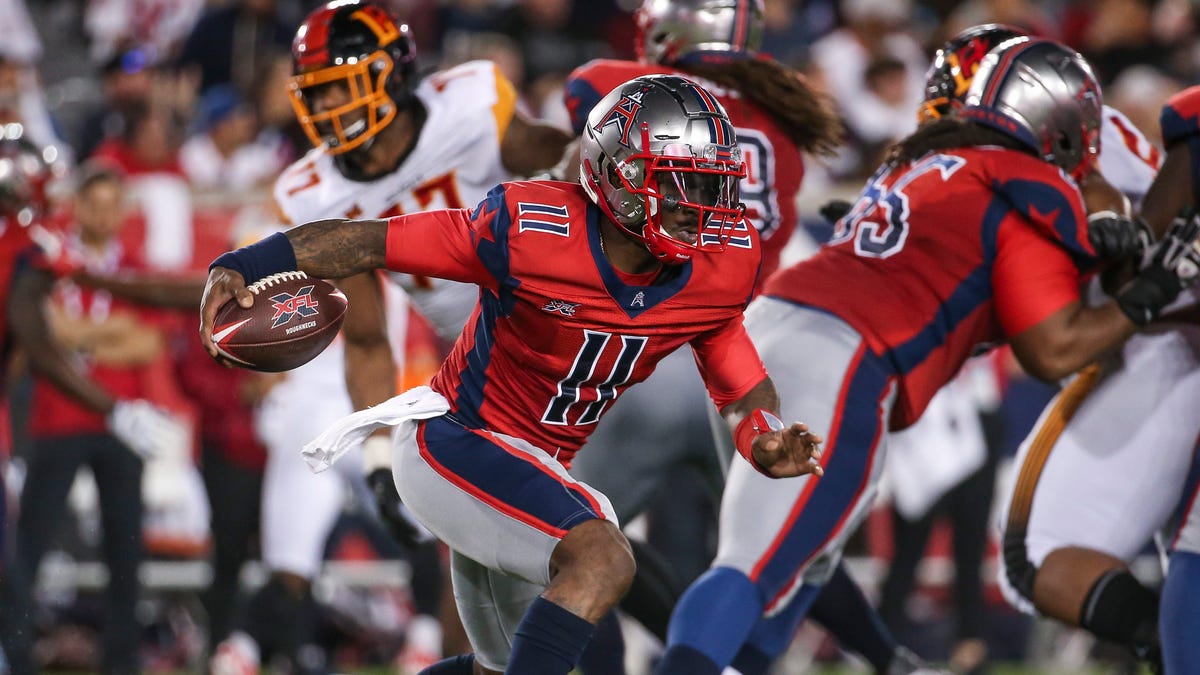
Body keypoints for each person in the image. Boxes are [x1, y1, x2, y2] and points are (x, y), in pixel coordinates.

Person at [199, 73, 824, 675]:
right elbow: (366, 240)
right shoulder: (529, 231)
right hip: (456, 441)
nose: (703, 208)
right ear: (624, 178)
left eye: (712, 186)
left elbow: (736, 377)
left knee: (498, 667)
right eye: (684, 183)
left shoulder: (722, 261)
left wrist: (762, 435)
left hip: (534, 468)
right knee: (602, 558)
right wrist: (243, 262)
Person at [654, 37, 1200, 675]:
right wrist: (1146, 292)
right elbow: (1053, 348)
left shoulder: (917, 162)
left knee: (799, 564)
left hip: (769, 333)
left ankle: (887, 659)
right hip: (847, 356)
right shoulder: (1031, 182)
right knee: (752, 566)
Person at [204, 2, 576, 672]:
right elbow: (370, 339)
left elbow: (554, 163)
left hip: (562, 327)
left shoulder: (467, 103)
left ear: (388, 72)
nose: (330, 107)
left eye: (341, 86)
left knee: (570, 545)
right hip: (486, 372)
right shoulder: (313, 190)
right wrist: (378, 461)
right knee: (504, 562)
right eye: (316, 94)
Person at [565, 3, 932, 673]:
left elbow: (582, 105)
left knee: (570, 536)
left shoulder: (627, 86)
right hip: (741, 358)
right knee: (769, 545)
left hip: (644, 349)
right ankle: (886, 656)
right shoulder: (787, 124)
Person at [996, 84, 1200, 673]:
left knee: (1035, 555)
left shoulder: (1050, 136)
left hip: (1168, 345)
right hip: (1169, 341)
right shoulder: (1103, 132)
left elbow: (1136, 262)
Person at [0, 134, 185, 675]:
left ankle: (114, 662)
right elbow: (44, 338)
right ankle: (18, 656)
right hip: (61, 420)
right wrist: (104, 338)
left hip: (114, 423)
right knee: (22, 555)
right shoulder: (40, 248)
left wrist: (79, 335)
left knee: (123, 555)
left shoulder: (93, 258)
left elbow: (144, 337)